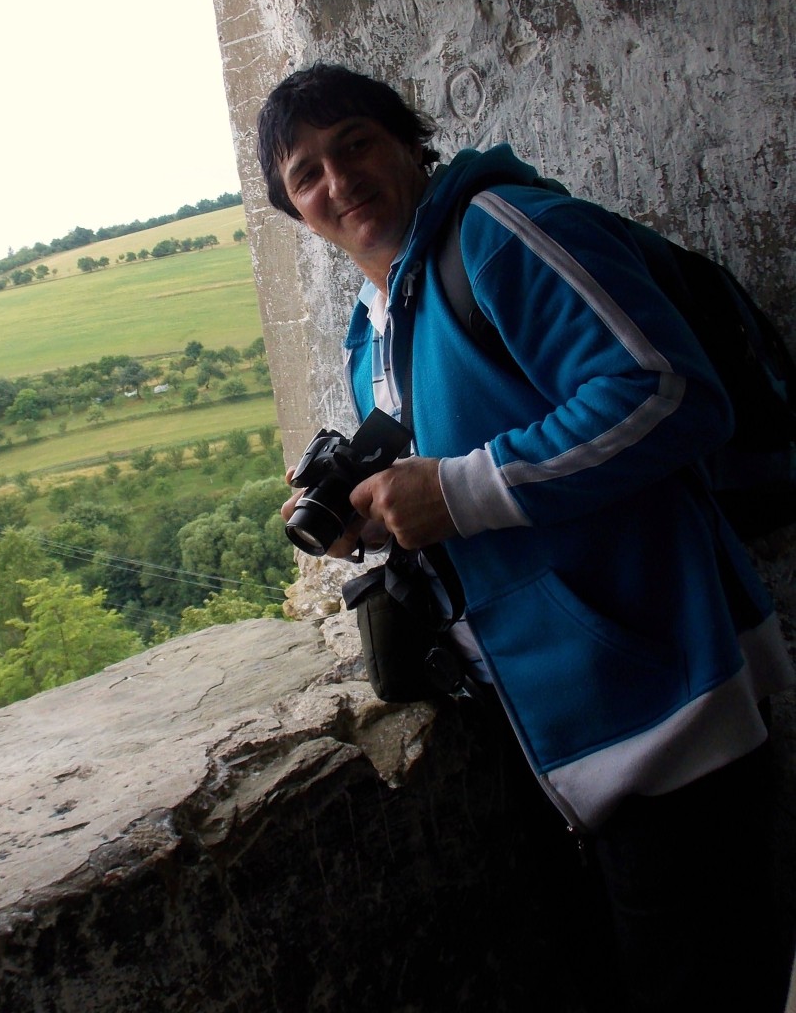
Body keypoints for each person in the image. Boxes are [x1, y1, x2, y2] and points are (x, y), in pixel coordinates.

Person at [257, 61, 795, 1013]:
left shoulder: (497, 233)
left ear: (408, 144)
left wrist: (458, 491)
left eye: (355, 145)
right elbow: (464, 483)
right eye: (306, 175)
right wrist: (374, 523)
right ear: (293, 211)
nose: (338, 182)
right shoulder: (370, 329)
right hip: (549, 732)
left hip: (663, 702)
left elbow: (667, 392)